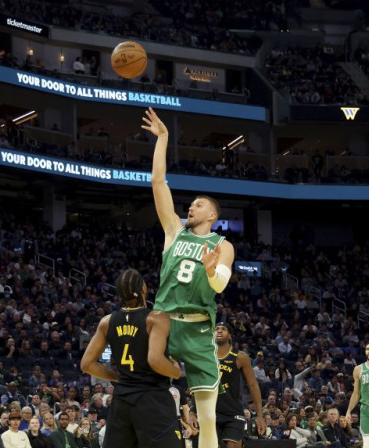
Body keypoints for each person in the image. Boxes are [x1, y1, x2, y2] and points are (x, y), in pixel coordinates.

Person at [144, 106, 235, 448]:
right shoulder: (173, 232)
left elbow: (221, 284)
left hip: (198, 328)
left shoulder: (222, 245)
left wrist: (212, 270)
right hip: (163, 323)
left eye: (197, 205)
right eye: (191, 205)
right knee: (148, 400)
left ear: (212, 214)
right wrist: (163, 139)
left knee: (208, 415)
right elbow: (158, 182)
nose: (190, 208)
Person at [80, 268, 183, 448]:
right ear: (143, 289)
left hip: (122, 401)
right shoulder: (156, 318)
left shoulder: (107, 321)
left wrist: (114, 376)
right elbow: (155, 360)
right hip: (152, 399)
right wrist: (176, 371)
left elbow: (87, 364)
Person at [214, 322, 266, 447]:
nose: (219, 331)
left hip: (233, 413)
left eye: (223, 329)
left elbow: (253, 386)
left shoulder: (240, 357)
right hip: (211, 412)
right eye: (216, 329)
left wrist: (260, 416)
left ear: (230, 335)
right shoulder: (205, 356)